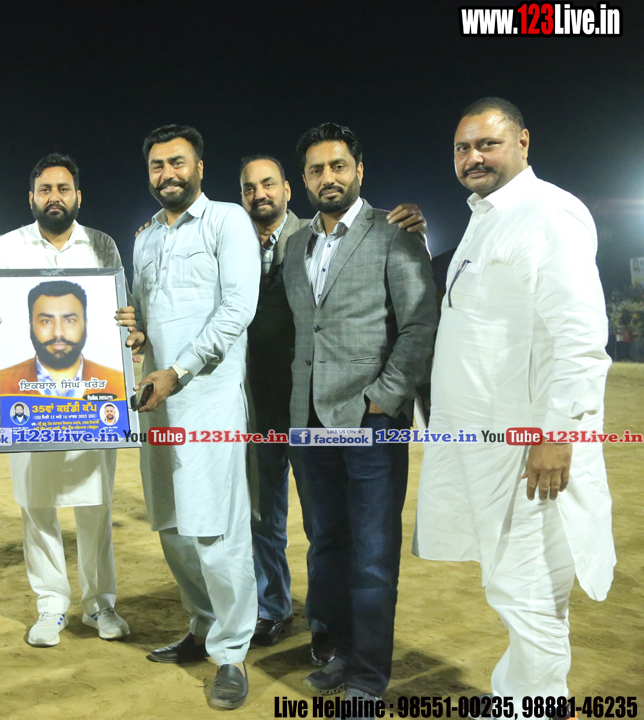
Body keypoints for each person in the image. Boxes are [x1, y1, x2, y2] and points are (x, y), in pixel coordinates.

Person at [415, 98, 614, 702]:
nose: (473, 157)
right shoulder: (487, 218)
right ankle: (519, 702)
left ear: (523, 143)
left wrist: (557, 435)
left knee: (529, 592)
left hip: (531, 449)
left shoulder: (548, 213)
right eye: (462, 148)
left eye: (487, 144)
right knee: (513, 587)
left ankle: (543, 709)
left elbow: (581, 338)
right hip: (489, 446)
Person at [238, 156, 427, 657]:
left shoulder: (331, 234)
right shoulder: (239, 243)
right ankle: (287, 618)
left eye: (268, 184)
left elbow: (414, 320)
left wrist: (383, 399)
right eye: (249, 187)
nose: (259, 194)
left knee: (341, 535)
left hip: (342, 411)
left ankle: (342, 644)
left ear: (288, 188)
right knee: (276, 525)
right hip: (270, 408)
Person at [282, 123, 436, 705]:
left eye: (338, 166)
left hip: (371, 422)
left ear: (359, 171)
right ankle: (339, 650)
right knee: (326, 543)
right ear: (304, 180)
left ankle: (368, 678)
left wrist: (383, 399)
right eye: (317, 169)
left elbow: (419, 324)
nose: (328, 178)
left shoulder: (395, 233)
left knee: (372, 553)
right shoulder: (296, 245)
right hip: (307, 420)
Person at [0, 153, 131, 647]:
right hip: (28, 398)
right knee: (36, 502)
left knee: (95, 503)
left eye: (63, 189)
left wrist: (128, 323)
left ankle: (100, 603)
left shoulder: (102, 244)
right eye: (45, 189)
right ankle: (51, 603)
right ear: (32, 197)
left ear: (78, 196)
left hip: (92, 399)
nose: (54, 197)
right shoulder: (8, 246)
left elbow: (119, 309)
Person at [131, 124, 259, 710]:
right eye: (157, 165)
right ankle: (202, 624)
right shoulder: (145, 238)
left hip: (207, 402)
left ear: (199, 168)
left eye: (177, 162)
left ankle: (231, 654)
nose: (168, 174)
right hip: (155, 403)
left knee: (215, 529)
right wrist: (136, 335)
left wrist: (179, 370)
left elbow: (238, 308)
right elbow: (145, 316)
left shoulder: (227, 221)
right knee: (171, 523)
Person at [0, 279, 125, 399]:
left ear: (85, 324)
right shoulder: (1, 383)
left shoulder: (118, 383)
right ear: (31, 326)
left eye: (69, 321)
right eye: (46, 321)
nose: (58, 333)